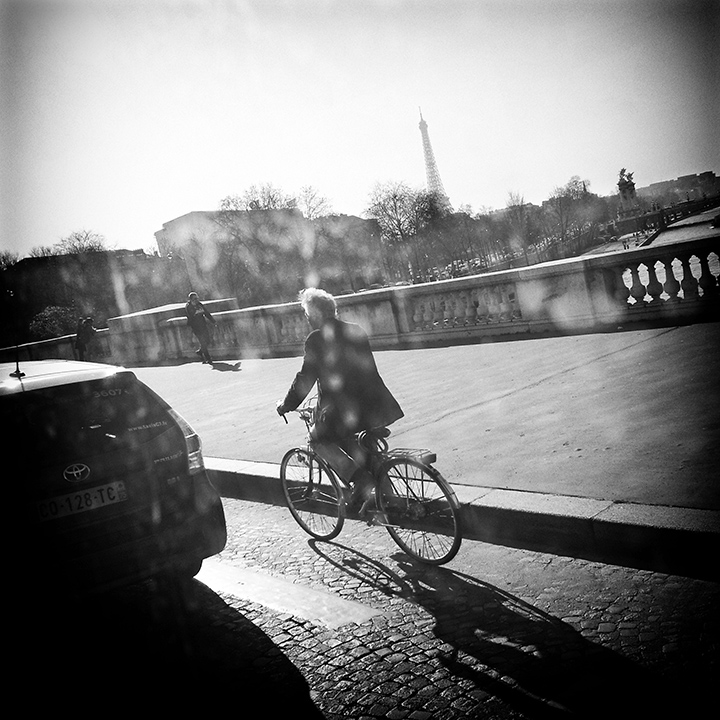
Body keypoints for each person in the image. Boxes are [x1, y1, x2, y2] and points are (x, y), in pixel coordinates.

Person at [276, 288, 404, 513]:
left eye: (307, 316)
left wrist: (286, 405)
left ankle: (360, 480)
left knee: (317, 441)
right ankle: (388, 497)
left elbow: (306, 378)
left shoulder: (316, 339)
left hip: (344, 411)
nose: (307, 320)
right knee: (365, 445)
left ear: (315, 315)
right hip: (375, 404)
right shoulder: (355, 330)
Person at [185, 292, 217, 364]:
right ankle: (209, 359)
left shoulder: (199, 305)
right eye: (195, 299)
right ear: (191, 299)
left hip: (203, 325)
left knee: (208, 341)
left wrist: (213, 321)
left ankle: (200, 352)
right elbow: (191, 315)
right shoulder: (188, 306)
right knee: (203, 342)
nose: (197, 300)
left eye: (197, 298)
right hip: (195, 327)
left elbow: (206, 313)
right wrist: (196, 311)